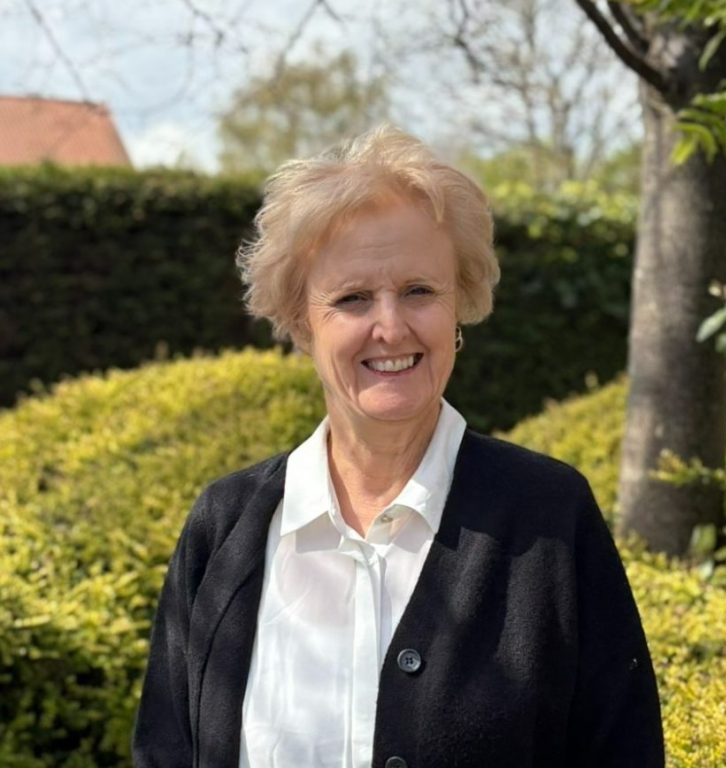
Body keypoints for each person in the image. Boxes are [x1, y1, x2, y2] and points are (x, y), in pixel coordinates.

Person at [133, 125, 664, 768]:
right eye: (353, 298)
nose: (390, 327)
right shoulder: (227, 526)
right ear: (303, 323)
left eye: (419, 291)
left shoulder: (549, 518)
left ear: (459, 305)